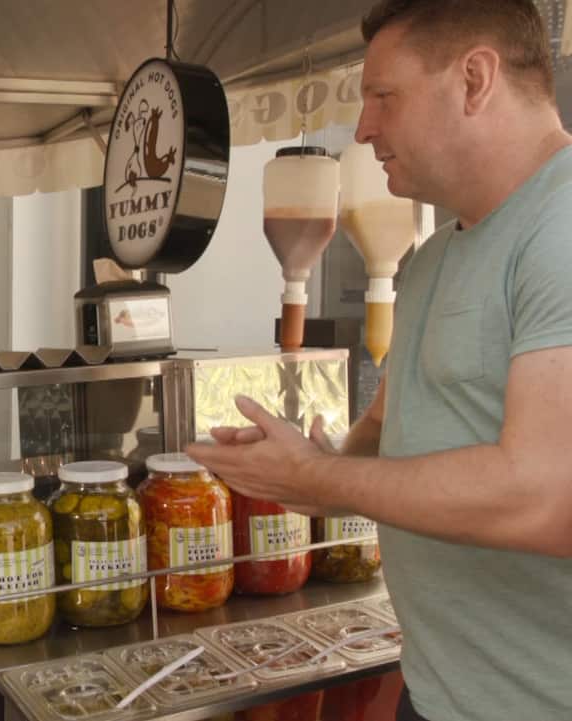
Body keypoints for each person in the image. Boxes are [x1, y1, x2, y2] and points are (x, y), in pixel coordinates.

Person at [187, 2, 572, 720]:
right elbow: (384, 433)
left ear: (476, 79)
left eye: (382, 97)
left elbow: (548, 495)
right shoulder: (428, 263)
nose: (363, 130)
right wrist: (307, 466)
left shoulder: (560, 228)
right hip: (435, 694)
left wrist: (324, 475)